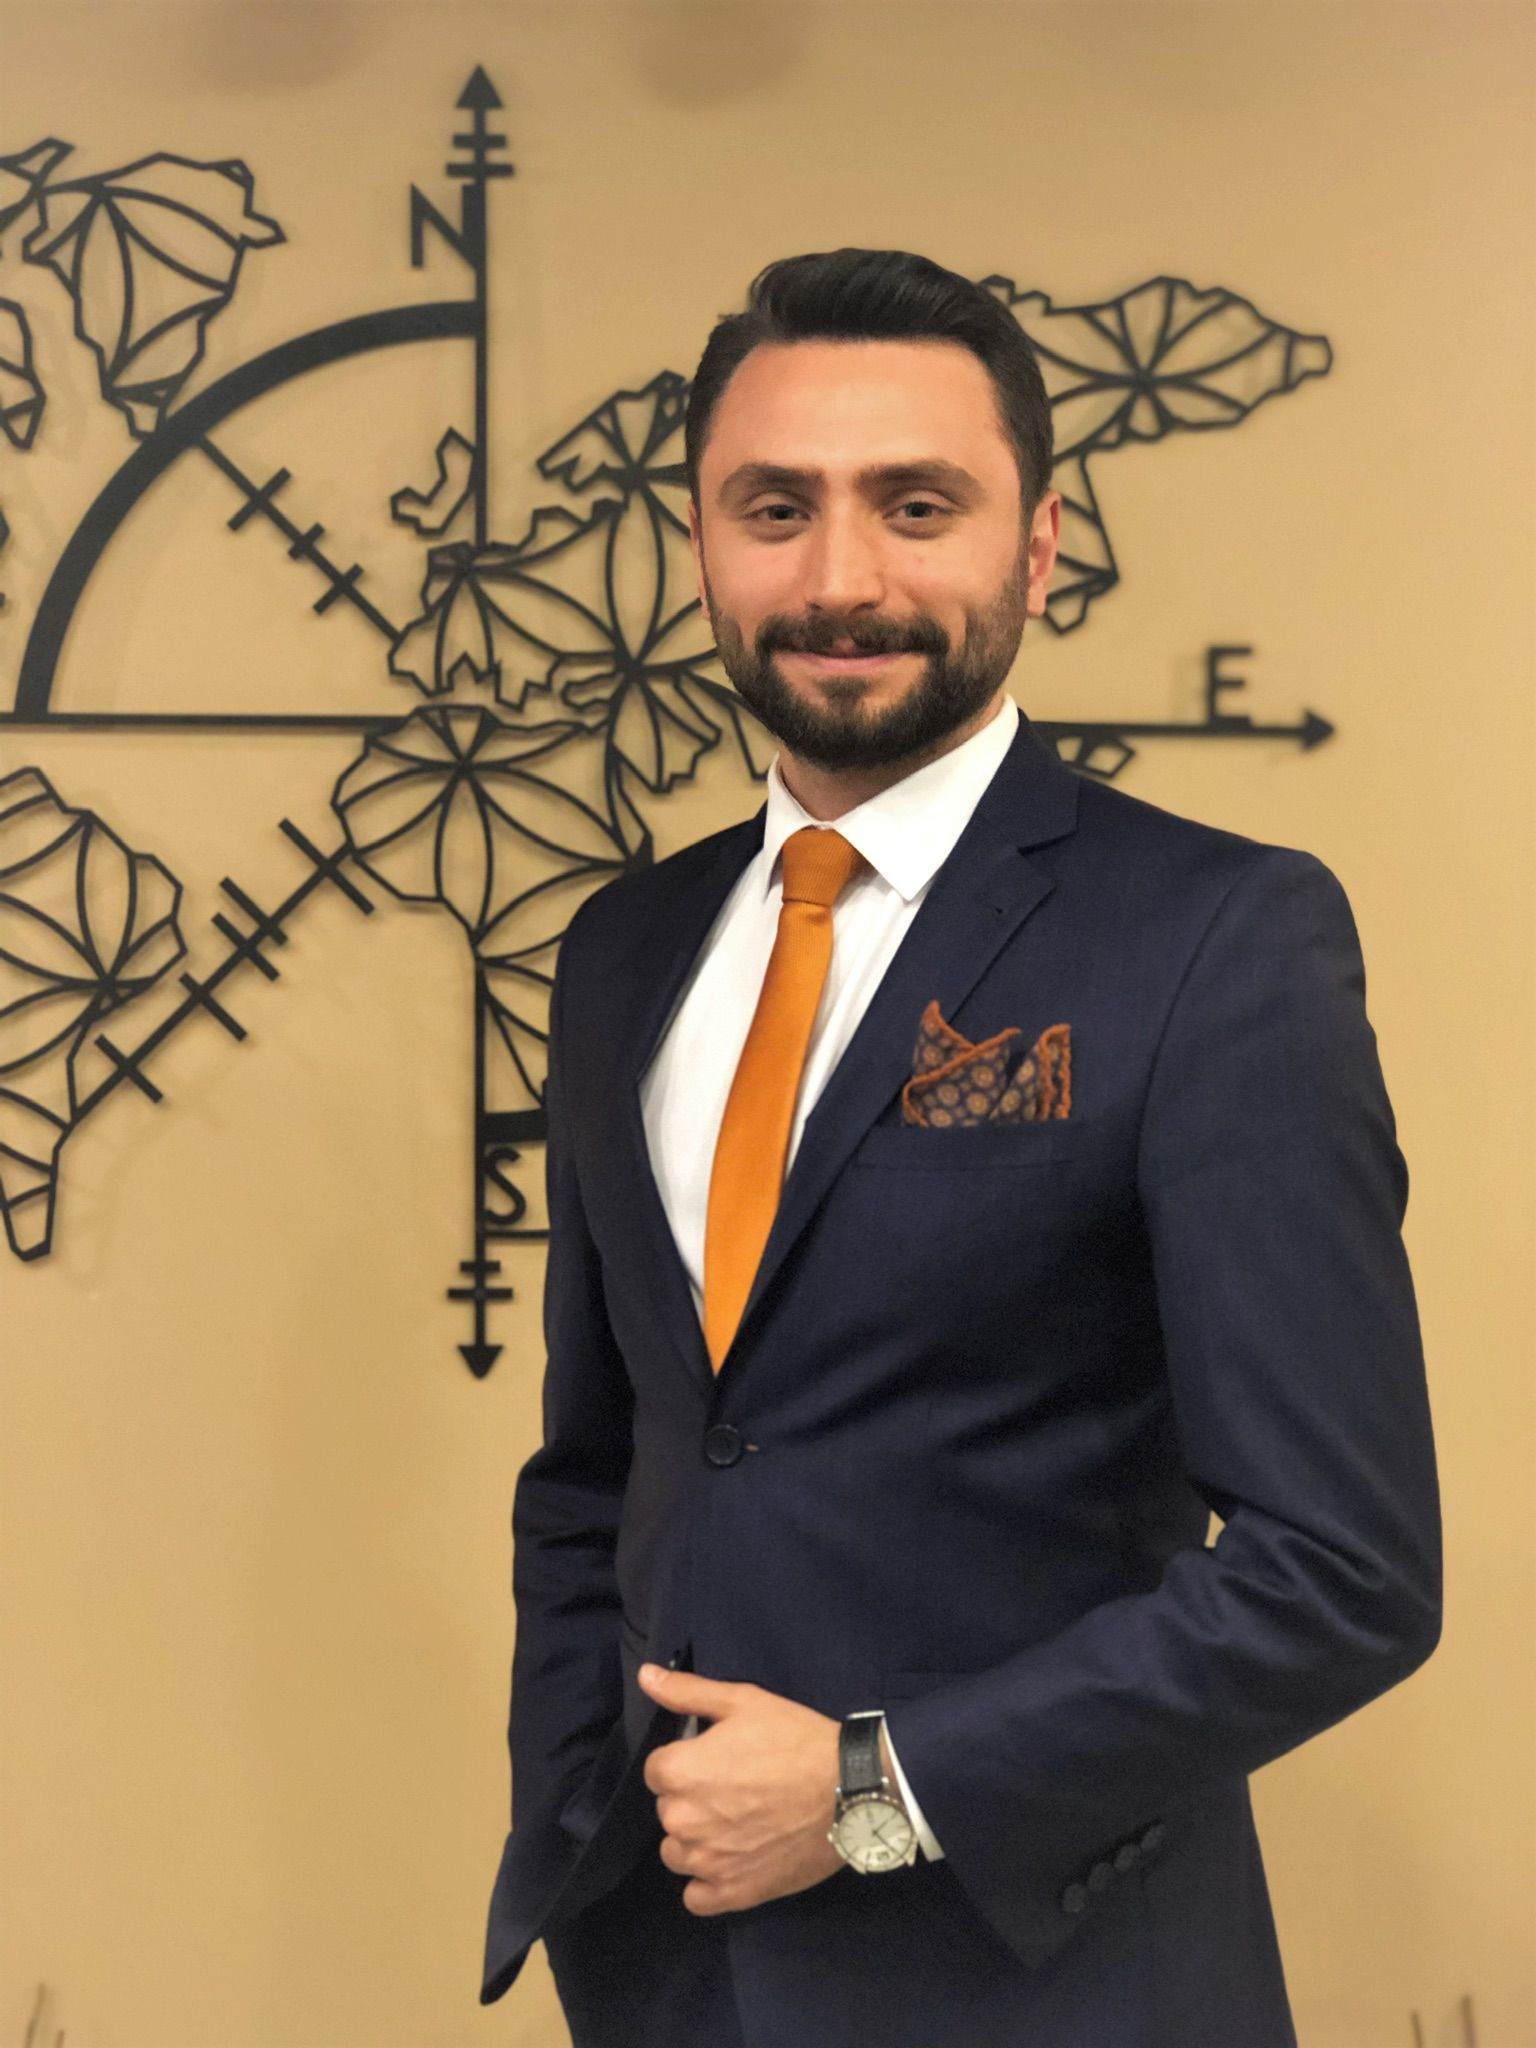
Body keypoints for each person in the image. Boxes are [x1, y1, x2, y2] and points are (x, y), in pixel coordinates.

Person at [478, 248, 1441, 2048]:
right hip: (672, 1977)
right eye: (776, 508)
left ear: (1040, 545)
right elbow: (602, 1470)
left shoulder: (1214, 938)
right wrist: (577, 1819)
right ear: (700, 544)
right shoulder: (624, 948)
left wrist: (871, 1791)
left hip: (1050, 1987)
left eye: (916, 506)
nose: (841, 578)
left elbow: (1344, 1573)